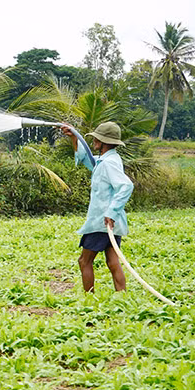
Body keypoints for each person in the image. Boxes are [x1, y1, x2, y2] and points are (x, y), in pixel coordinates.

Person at [62, 122, 134, 292]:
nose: (94, 140)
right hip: (111, 222)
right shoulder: (108, 159)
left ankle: (90, 300)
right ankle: (123, 298)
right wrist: (74, 137)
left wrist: (110, 212)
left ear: (105, 142)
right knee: (112, 261)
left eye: (97, 138)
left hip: (102, 221)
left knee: (84, 261)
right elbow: (88, 160)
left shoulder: (108, 163)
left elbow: (126, 186)